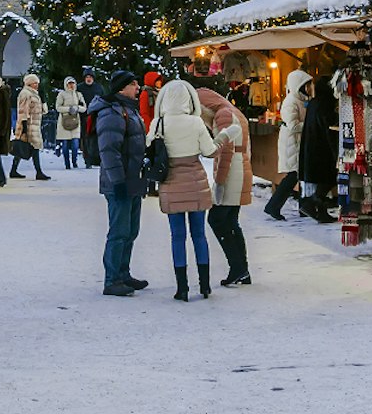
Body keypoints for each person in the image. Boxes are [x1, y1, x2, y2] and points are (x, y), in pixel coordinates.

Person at [150, 79, 217, 301]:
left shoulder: (158, 123)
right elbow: (209, 151)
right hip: (196, 182)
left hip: (171, 183)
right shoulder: (195, 122)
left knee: (177, 236)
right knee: (199, 235)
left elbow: (149, 147)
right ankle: (205, 286)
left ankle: (182, 288)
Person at [92, 71, 147, 296]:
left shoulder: (129, 110)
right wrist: (118, 182)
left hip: (133, 179)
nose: (138, 88)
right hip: (120, 182)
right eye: (133, 84)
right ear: (122, 88)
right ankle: (112, 279)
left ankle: (123, 273)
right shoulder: (112, 113)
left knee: (131, 230)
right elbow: (109, 150)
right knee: (119, 231)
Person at [197, 87, 253, 287]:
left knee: (218, 219)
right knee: (230, 221)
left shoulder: (223, 115)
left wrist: (220, 182)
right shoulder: (231, 111)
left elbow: (226, 150)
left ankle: (238, 268)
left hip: (231, 172)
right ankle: (241, 269)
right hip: (239, 168)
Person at [264, 70, 311, 220]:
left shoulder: (300, 100)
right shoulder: (291, 102)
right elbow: (293, 125)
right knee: (293, 176)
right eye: (306, 85)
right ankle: (273, 206)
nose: (309, 88)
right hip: (292, 143)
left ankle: (303, 207)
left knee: (298, 175)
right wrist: (310, 125)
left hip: (296, 142)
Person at [300, 75, 340, 223]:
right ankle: (312, 201)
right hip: (323, 147)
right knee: (328, 178)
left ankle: (320, 211)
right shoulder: (326, 103)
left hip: (313, 146)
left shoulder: (314, 102)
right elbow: (328, 124)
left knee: (323, 179)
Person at [9, 73, 49, 180]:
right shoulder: (25, 94)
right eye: (34, 83)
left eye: (37, 83)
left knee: (24, 148)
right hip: (28, 125)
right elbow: (23, 111)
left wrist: (43, 99)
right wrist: (24, 127)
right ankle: (39, 172)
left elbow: (44, 111)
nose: (36, 85)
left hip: (34, 125)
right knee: (31, 148)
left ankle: (14, 170)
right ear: (29, 83)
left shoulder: (35, 94)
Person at [54, 77, 86, 170]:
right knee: (65, 145)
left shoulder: (78, 94)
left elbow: (84, 107)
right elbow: (58, 107)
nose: (71, 85)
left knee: (75, 144)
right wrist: (68, 109)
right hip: (64, 121)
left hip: (75, 121)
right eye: (69, 84)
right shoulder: (62, 94)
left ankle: (74, 161)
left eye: (73, 83)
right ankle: (67, 163)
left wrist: (77, 108)